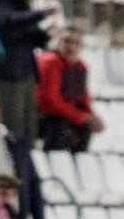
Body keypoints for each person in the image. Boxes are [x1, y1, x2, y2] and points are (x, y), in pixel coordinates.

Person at [0, 0, 55, 144]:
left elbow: (30, 36)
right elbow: (8, 24)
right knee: (14, 124)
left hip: (27, 70)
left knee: (29, 125)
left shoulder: (23, 3)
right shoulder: (0, 2)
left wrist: (47, 34)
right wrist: (40, 14)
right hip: (9, 72)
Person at [36, 21, 100, 152]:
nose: (71, 47)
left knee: (84, 130)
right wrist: (81, 116)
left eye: (76, 43)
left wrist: (90, 117)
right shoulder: (50, 61)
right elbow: (51, 101)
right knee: (59, 127)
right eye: (67, 41)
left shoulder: (80, 66)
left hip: (67, 115)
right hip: (46, 116)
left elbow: (82, 97)